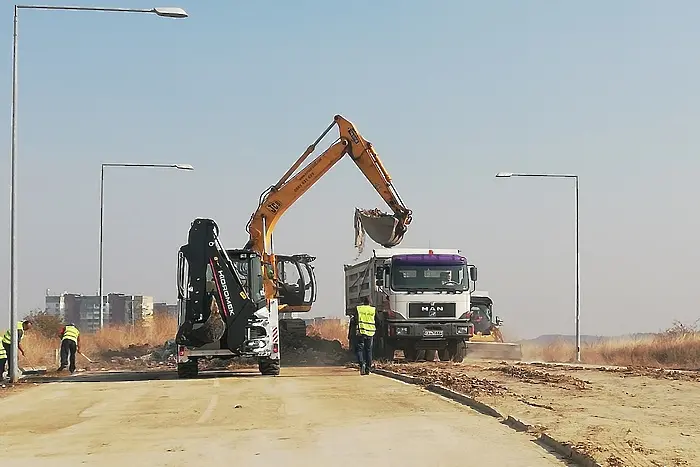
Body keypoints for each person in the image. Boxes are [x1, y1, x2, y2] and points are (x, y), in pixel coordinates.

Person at [352, 296, 378, 375]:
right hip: (370, 333)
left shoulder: (359, 309)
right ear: (370, 302)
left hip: (361, 332)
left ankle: (361, 364)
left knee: (359, 349)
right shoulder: (373, 310)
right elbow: (378, 321)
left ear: (363, 302)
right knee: (368, 350)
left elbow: (355, 320)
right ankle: (368, 369)